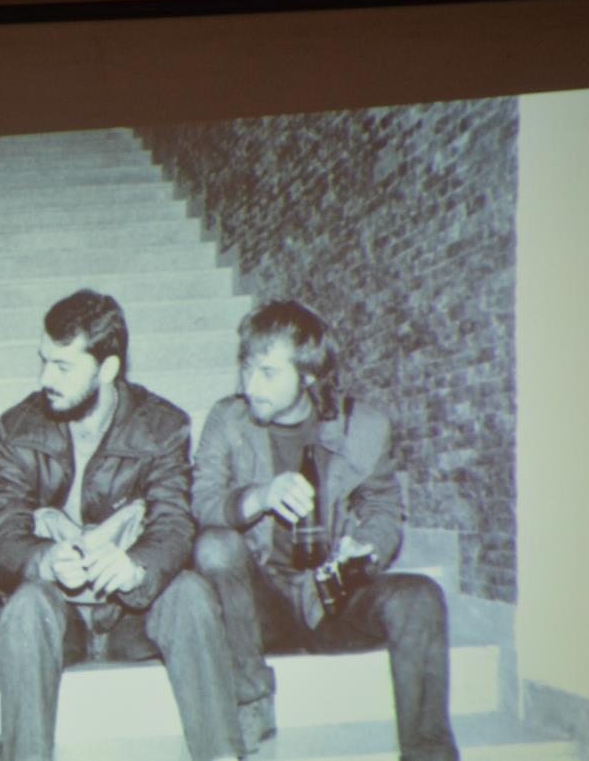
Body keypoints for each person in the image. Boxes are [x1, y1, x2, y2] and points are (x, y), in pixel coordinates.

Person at [0, 289, 245, 761]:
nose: (45, 378)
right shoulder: (18, 428)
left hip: (131, 617)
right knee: (24, 608)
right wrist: (44, 559)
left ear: (107, 369)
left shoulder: (162, 426)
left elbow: (174, 525)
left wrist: (136, 569)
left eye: (63, 366)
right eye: (44, 361)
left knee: (190, 592)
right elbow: (0, 538)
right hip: (58, 615)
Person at [192, 300, 458, 760]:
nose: (250, 385)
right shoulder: (228, 420)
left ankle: (429, 753)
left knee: (420, 597)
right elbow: (202, 504)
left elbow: (383, 508)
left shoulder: (361, 427)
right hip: (259, 605)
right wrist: (260, 496)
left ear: (310, 375)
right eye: (247, 367)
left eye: (268, 372)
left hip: (331, 597)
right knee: (214, 546)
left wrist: (365, 548)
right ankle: (251, 703)